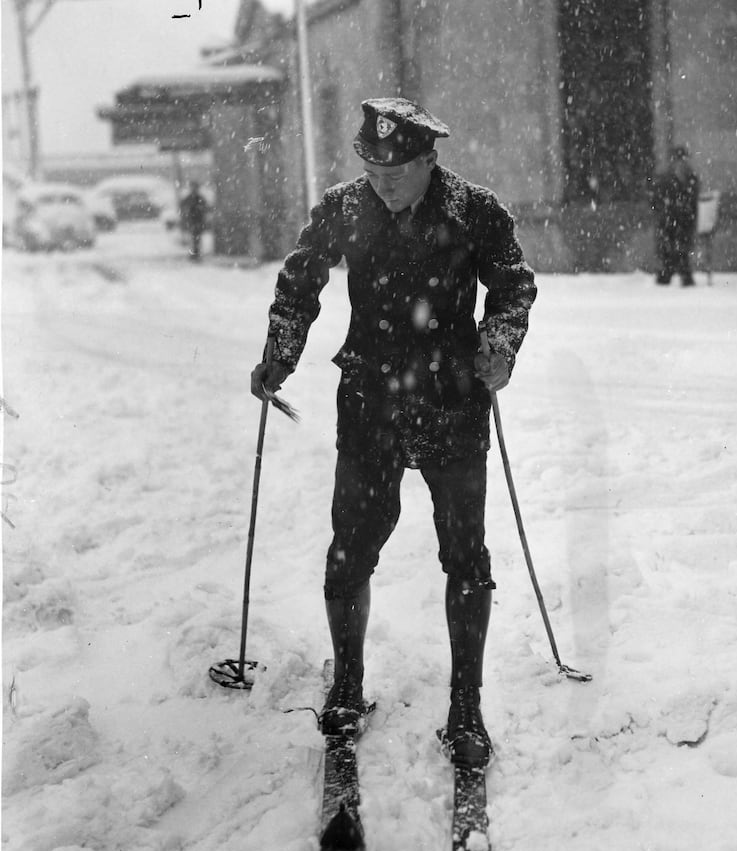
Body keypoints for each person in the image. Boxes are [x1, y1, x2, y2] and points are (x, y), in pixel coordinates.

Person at [251, 97, 537, 768]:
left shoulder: (474, 209)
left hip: (451, 399)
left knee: (465, 557)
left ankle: (464, 705)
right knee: (350, 548)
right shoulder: (346, 207)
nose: (381, 181)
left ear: (428, 161)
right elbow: (299, 282)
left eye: (397, 169)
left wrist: (498, 343)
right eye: (371, 166)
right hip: (371, 400)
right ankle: (347, 683)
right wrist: (279, 353)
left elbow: (512, 284)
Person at [651, 146, 700, 286]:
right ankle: (670, 273)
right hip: (670, 220)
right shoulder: (667, 179)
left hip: (683, 220)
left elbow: (692, 200)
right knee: (669, 248)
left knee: (680, 248)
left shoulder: (689, 178)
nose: (681, 163)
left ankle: (676, 274)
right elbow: (657, 199)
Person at [179, 181, 209, 260]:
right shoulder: (190, 198)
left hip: (197, 221)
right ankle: (195, 253)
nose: (194, 189)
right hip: (192, 221)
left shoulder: (198, 198)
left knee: (196, 238)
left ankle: (196, 253)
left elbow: (205, 208)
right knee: (194, 238)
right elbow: (183, 207)